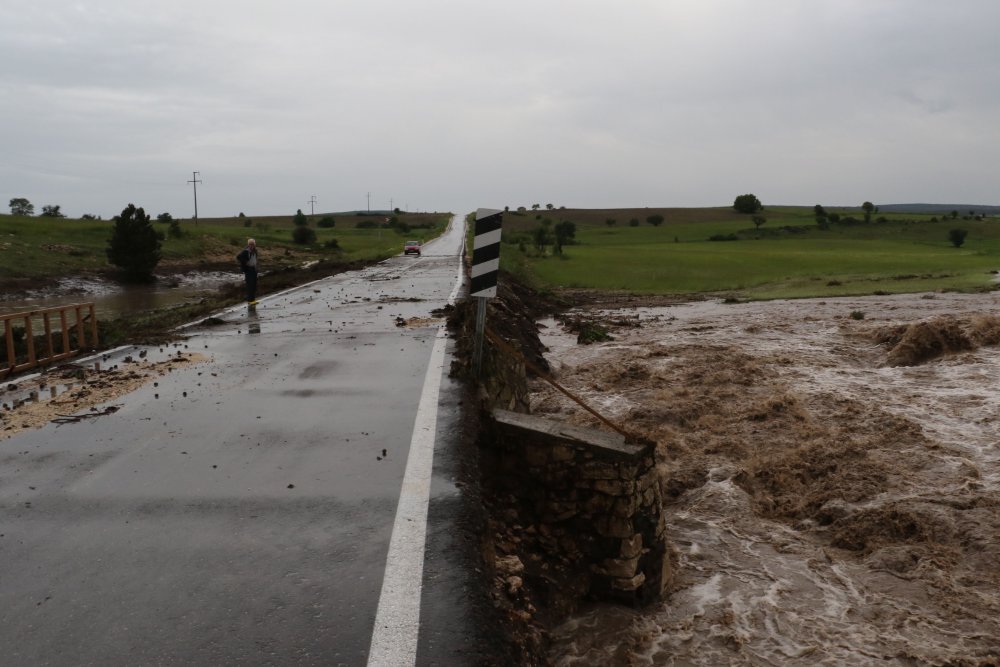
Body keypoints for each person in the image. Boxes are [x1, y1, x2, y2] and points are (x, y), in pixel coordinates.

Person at [236, 238, 259, 304]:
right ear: (248, 245)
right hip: (248, 270)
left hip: (254, 269)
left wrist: (256, 268)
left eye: (253, 244)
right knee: (250, 284)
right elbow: (238, 257)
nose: (251, 245)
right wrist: (245, 264)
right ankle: (250, 300)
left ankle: (253, 300)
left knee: (254, 285)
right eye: (250, 244)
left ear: (255, 244)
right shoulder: (246, 251)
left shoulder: (255, 251)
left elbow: (255, 260)